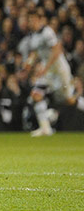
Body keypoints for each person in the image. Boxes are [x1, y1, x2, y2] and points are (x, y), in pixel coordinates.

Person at [18, 8, 84, 136]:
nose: (31, 22)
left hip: (59, 70)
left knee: (69, 100)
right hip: (47, 72)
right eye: (30, 20)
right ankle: (45, 128)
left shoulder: (47, 32)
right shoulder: (34, 35)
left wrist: (45, 68)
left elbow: (57, 50)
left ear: (40, 20)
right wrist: (28, 64)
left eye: (33, 20)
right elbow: (36, 53)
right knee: (36, 94)